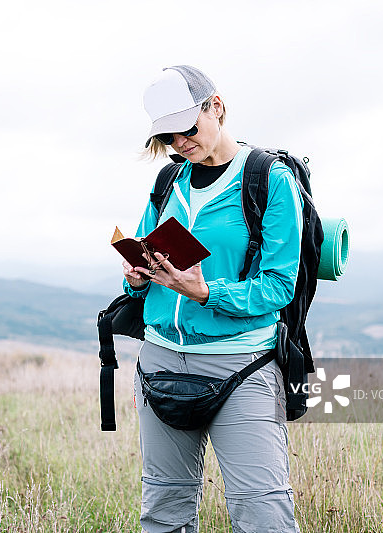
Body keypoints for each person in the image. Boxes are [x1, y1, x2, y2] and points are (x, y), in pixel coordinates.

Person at [123, 65, 303, 532]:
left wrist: (206, 292)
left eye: (189, 128)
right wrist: (138, 278)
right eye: (169, 136)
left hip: (240, 365)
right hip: (160, 361)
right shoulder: (168, 183)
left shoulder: (269, 179)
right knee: (163, 511)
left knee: (261, 512)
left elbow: (279, 286)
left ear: (216, 107)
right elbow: (147, 256)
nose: (181, 143)